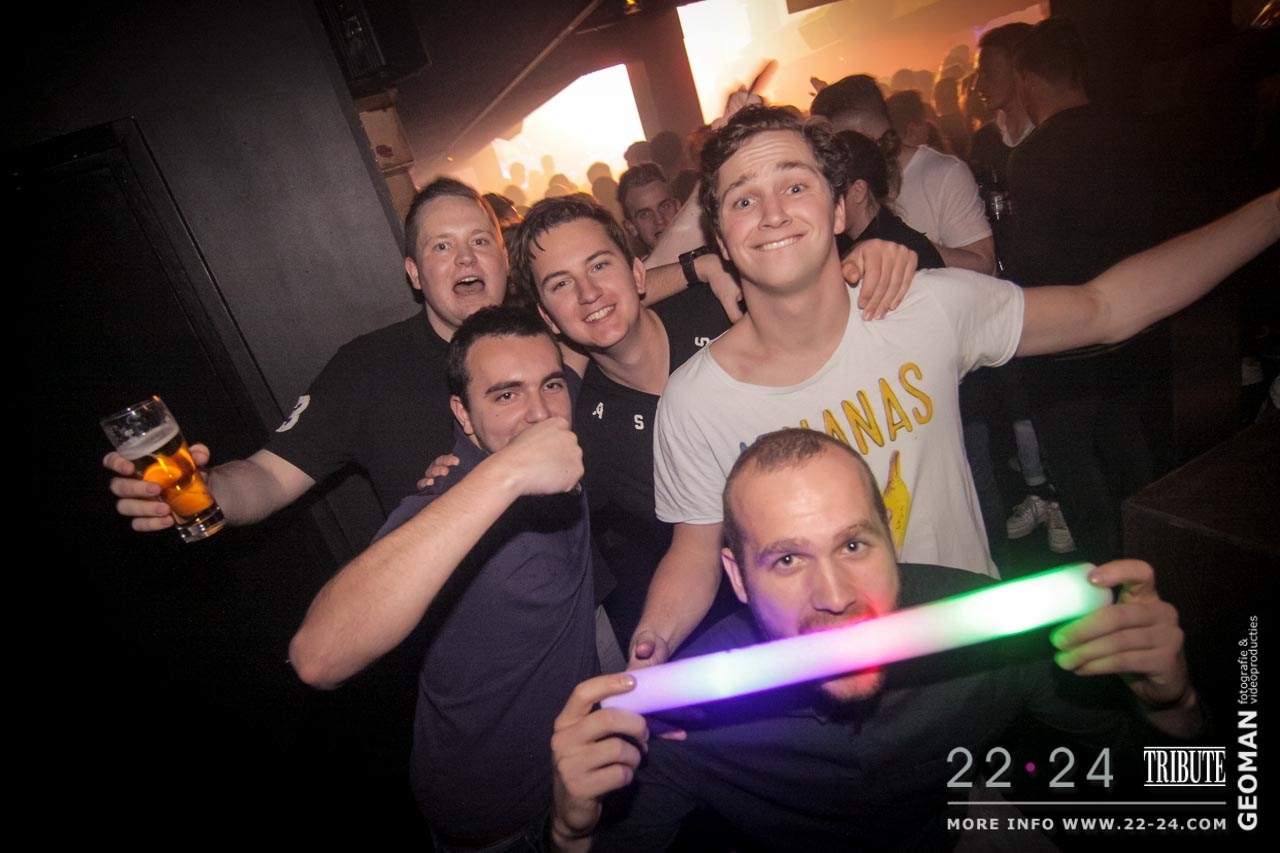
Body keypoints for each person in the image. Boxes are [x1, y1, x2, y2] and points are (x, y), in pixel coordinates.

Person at [631, 104, 1279, 670]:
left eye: (795, 185)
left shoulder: (922, 309)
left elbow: (1106, 308)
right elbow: (695, 553)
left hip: (973, 649)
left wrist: (1271, 212)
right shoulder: (696, 400)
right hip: (824, 670)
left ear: (838, 208)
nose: (773, 213)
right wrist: (647, 658)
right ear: (722, 239)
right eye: (744, 200)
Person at [550, 428, 1206, 851]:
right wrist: (570, 830)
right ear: (738, 577)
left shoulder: (992, 629)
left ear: (890, 536)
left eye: (853, 545)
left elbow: (1180, 808)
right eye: (787, 559)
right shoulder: (690, 705)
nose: (834, 594)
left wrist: (1173, 707)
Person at [506, 195, 913, 652]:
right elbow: (689, 546)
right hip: (740, 637)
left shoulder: (726, 307)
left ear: (638, 273)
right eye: (561, 284)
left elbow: (818, 297)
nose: (588, 292)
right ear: (546, 316)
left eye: (600, 265)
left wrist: (867, 258)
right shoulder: (586, 432)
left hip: (876, 570)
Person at [289, 306, 597, 851]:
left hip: (581, 778)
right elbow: (318, 657)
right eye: (505, 395)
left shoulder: (555, 421)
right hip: (499, 817)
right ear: (463, 413)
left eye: (550, 385)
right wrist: (508, 472)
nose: (538, 413)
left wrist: (702, 267)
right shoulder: (445, 500)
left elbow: (597, 314)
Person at [811, 74, 997, 274]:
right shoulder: (838, 187)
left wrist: (904, 246)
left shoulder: (943, 173)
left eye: (837, 144)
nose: (829, 156)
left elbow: (984, 265)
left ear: (862, 133)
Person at [616, 162, 680, 258]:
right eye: (645, 214)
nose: (659, 220)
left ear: (678, 206)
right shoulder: (640, 269)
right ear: (631, 227)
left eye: (665, 206)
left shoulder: (704, 253)